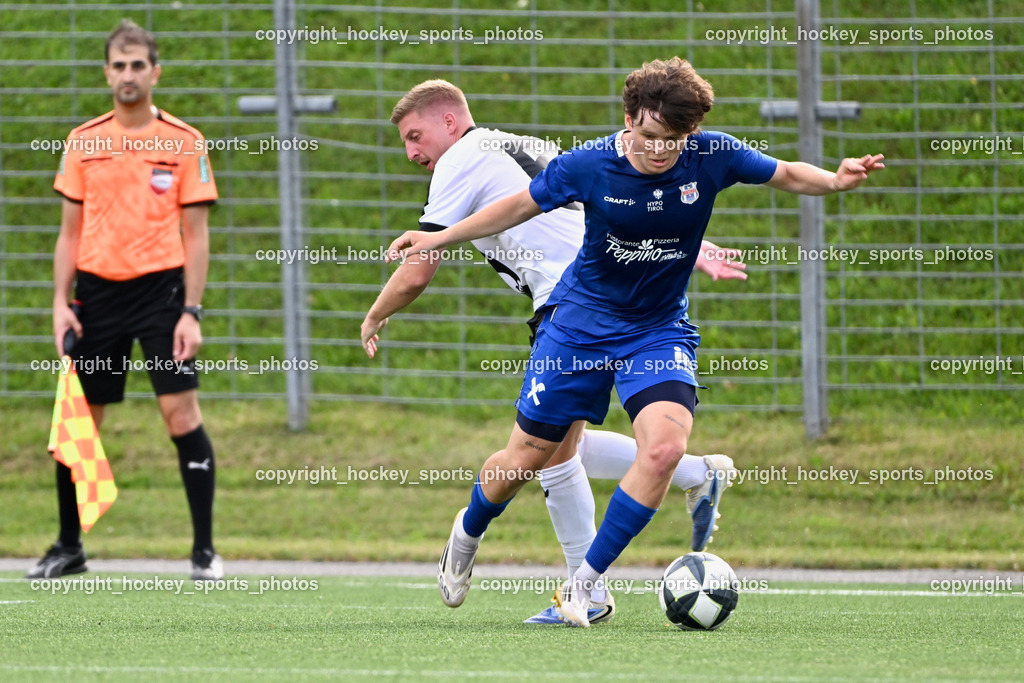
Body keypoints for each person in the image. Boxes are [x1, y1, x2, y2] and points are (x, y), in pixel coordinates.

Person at [387, 58, 884, 627]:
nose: (660, 152)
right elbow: (518, 204)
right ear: (629, 120)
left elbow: (786, 173)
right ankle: (466, 533)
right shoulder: (590, 163)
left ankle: (583, 589)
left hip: (657, 328)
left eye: (673, 141)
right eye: (648, 137)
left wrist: (834, 180)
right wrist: (437, 239)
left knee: (664, 450)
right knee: (527, 458)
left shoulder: (711, 155)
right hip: (577, 326)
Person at [364, 80, 745, 624]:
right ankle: (689, 477)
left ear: (449, 122)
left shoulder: (459, 161)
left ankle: (574, 586)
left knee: (545, 454)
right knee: (553, 450)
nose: (411, 153)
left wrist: (375, 314)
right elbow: (620, 195)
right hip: (622, 295)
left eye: (415, 136)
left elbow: (418, 267)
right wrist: (687, 243)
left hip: (576, 307)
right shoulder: (521, 144)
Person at [26, 20, 222, 581]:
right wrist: (61, 302)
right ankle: (68, 546)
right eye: (120, 65)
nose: (129, 74)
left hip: (162, 293)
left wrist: (191, 310)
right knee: (79, 421)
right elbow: (68, 232)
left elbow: (197, 235)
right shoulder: (83, 142)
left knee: (180, 412)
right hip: (96, 295)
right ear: (107, 72)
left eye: (139, 65)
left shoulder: (185, 142)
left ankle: (204, 552)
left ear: (155, 73)